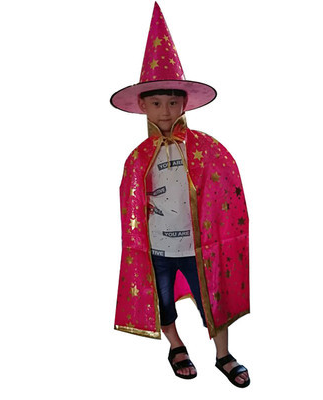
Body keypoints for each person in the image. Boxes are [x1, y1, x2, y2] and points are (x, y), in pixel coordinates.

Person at [111, 2, 250, 388]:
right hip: (157, 249)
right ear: (143, 105)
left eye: (173, 102)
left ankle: (223, 354)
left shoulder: (206, 149)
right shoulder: (138, 158)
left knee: (213, 301)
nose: (165, 111)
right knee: (163, 302)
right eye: (156, 103)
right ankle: (176, 346)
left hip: (198, 247)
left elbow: (227, 192)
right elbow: (130, 206)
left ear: (184, 103)